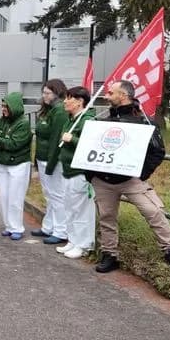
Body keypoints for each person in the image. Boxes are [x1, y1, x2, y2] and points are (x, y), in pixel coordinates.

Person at [90, 80, 170, 272]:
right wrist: (90, 175)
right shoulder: (102, 122)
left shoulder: (144, 121)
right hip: (103, 180)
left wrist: (141, 174)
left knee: (153, 212)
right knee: (106, 217)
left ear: (123, 95)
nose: (106, 96)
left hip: (131, 180)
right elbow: (89, 149)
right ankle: (109, 255)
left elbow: (157, 152)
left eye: (110, 92)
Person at [54, 87, 96, 259]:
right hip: (67, 170)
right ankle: (73, 239)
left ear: (80, 101)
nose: (65, 101)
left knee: (81, 209)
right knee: (70, 207)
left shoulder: (88, 120)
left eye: (69, 98)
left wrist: (74, 140)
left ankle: (84, 244)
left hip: (80, 172)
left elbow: (90, 145)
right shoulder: (70, 120)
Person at [0, 91, 32, 240]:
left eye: (6, 106)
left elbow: (14, 144)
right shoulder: (3, 120)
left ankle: (17, 227)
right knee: (4, 197)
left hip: (18, 164)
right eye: (3, 106)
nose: (4, 109)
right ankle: (9, 225)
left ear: (14, 107)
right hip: (3, 163)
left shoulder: (23, 123)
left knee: (15, 198)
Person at [32, 79, 69, 244]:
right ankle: (48, 226)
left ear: (57, 93)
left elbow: (56, 141)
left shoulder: (60, 111)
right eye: (44, 92)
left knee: (57, 195)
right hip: (43, 158)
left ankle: (61, 231)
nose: (44, 96)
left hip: (51, 160)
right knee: (49, 195)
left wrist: (51, 163)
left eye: (47, 93)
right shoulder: (49, 110)